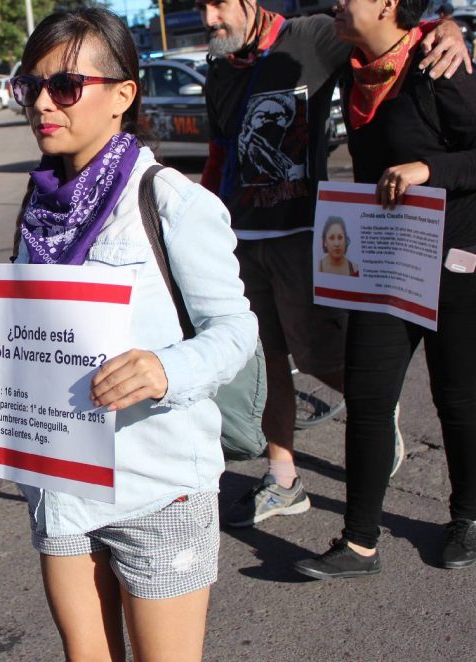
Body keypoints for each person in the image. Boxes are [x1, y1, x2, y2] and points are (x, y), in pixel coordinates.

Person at [0, 8, 258, 659]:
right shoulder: (40, 210)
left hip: (158, 487)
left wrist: (165, 370)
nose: (41, 102)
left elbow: (235, 330)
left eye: (64, 86)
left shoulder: (172, 202)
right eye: (28, 85)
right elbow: (24, 345)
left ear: (123, 95)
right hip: (60, 487)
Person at [195, 0, 468, 528]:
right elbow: (219, 153)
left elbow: (387, 33)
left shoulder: (313, 36)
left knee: (319, 354)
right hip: (240, 239)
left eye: (219, 4)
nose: (210, 19)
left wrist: (447, 28)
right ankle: (283, 479)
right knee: (268, 359)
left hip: (303, 234)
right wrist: (204, 224)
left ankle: (376, 405)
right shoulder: (220, 70)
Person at [294, 0, 476, 579]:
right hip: (386, 264)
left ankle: (468, 519)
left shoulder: (437, 63)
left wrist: (428, 170)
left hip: (455, 259)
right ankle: (358, 544)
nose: (338, 3)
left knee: (458, 399)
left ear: (389, 4)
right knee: (370, 399)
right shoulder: (350, 64)